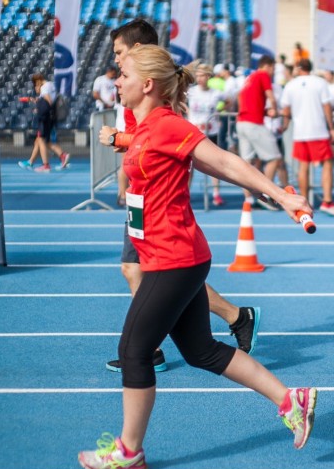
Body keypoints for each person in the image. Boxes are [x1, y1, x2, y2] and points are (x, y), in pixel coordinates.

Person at [78, 45, 317, 469]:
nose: (116, 81)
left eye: (124, 74)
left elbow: (223, 161)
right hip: (167, 255)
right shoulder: (149, 126)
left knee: (134, 350)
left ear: (147, 85)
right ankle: (290, 399)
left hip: (174, 257)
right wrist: (123, 141)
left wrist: (280, 196)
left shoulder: (168, 125)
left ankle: (129, 452)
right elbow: (153, 149)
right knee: (201, 350)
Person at [98, 19, 261, 374]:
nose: (116, 70)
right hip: (145, 208)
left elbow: (206, 156)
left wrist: (276, 192)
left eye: (120, 55)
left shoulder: (158, 107)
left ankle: (149, 348)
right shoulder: (136, 94)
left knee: (150, 276)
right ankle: (233, 318)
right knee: (189, 326)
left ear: (140, 57)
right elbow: (145, 143)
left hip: (159, 210)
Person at [280, 58, 334, 217]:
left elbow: (286, 110)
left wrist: (285, 126)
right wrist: (332, 128)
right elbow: (327, 106)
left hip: (300, 132)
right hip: (318, 130)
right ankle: (327, 201)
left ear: (299, 68)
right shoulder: (320, 83)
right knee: (327, 165)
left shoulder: (290, 85)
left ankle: (305, 202)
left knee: (303, 167)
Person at [235, 55, 283, 206]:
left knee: (246, 163)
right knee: (274, 158)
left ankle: (248, 198)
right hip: (253, 123)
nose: (273, 73)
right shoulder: (263, 75)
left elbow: (242, 98)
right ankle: (265, 194)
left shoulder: (250, 77)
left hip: (242, 121)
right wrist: (274, 110)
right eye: (273, 69)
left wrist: (263, 111)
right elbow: (271, 97)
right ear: (267, 66)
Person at [187, 63, 228, 205]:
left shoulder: (216, 93)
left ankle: (216, 193)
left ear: (208, 76)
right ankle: (186, 193)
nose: (199, 78)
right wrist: (187, 113)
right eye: (197, 75)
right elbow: (179, 101)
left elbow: (228, 101)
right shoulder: (191, 91)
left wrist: (219, 113)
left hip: (211, 132)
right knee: (189, 164)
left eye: (202, 75)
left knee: (214, 164)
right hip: (193, 132)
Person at [17, 73, 70, 172]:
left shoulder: (44, 88)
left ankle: (48, 164)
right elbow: (46, 100)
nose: (36, 87)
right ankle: (31, 161)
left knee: (42, 140)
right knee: (40, 140)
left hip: (45, 118)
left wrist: (41, 110)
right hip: (49, 117)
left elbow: (48, 101)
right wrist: (38, 103)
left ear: (38, 81)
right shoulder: (50, 85)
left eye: (35, 84)